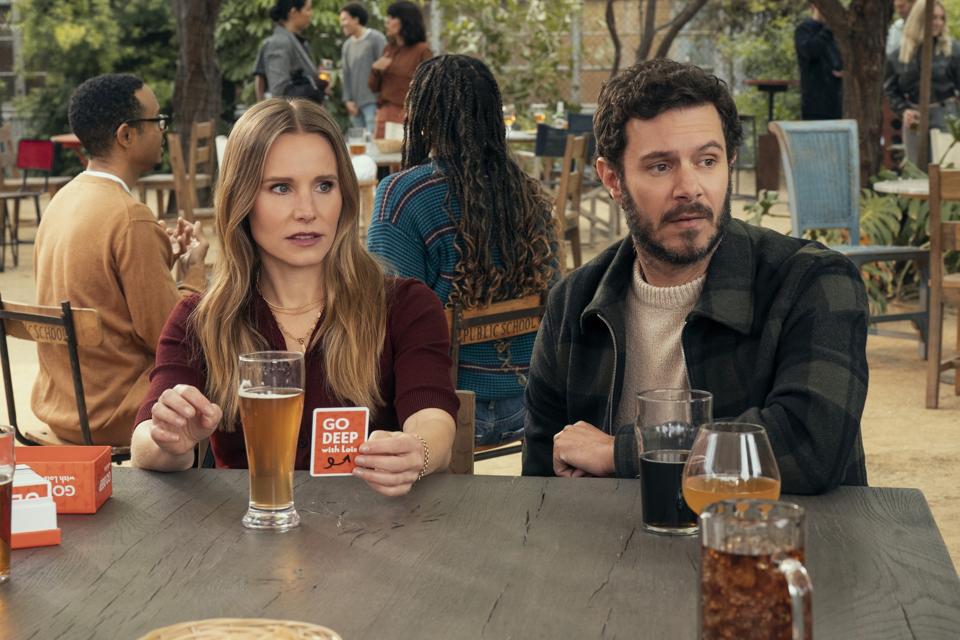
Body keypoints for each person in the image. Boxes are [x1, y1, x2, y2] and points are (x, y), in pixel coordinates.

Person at [521, 59, 870, 495]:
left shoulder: (814, 282)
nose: (690, 187)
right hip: (612, 553)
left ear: (730, 163)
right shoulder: (574, 304)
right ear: (612, 178)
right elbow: (540, 484)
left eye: (707, 160)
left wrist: (622, 452)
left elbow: (808, 445)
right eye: (660, 166)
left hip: (775, 549)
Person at [130, 99, 457, 497]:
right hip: (244, 542)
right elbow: (144, 442)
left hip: (371, 539)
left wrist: (418, 451)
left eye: (324, 185)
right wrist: (171, 438)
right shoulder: (200, 319)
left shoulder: (404, 306)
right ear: (242, 199)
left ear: (345, 196)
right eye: (281, 188)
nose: (307, 210)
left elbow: (433, 417)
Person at [367, 55, 557, 448]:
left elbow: (380, 311)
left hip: (442, 411)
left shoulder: (401, 195)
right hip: (531, 406)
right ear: (492, 115)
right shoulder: (528, 193)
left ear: (420, 116)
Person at [32, 73, 208, 446]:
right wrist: (193, 275)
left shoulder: (64, 200)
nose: (163, 130)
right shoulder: (129, 216)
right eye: (157, 121)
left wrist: (162, 260)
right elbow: (170, 337)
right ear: (126, 135)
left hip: (63, 405)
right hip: (118, 410)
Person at [885, 0, 960, 164]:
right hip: (915, 116)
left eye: (941, 18)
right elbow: (890, 89)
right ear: (919, 19)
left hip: (945, 114)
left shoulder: (952, 50)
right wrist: (903, 110)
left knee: (947, 169)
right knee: (917, 170)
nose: (938, 23)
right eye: (933, 18)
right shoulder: (900, 54)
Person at [368, 1, 432, 139]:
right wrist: (375, 69)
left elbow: (428, 88)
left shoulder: (422, 50)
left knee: (403, 159)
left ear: (405, 21)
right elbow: (373, 87)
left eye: (392, 18)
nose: (387, 22)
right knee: (381, 159)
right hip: (384, 114)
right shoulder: (388, 49)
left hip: (407, 116)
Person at [257, 0, 326, 103]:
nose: (310, 14)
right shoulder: (279, 42)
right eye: (308, 9)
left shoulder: (299, 41)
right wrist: (315, 86)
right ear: (293, 12)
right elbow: (279, 91)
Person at [340, 3, 387, 131]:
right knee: (359, 144)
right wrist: (347, 100)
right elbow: (346, 74)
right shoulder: (347, 46)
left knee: (374, 143)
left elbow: (386, 70)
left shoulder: (376, 39)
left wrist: (382, 101)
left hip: (373, 102)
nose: (342, 24)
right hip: (355, 105)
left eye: (344, 19)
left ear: (356, 19)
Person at [795, 3, 843, 121]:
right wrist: (827, 30)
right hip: (814, 98)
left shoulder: (836, 31)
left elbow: (841, 56)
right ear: (813, 8)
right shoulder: (804, 29)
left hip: (835, 96)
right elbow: (810, 51)